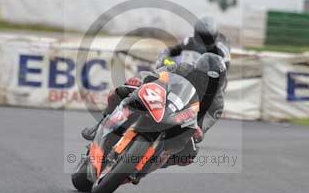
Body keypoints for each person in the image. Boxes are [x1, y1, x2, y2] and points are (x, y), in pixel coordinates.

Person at [81, 53, 227, 168]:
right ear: (197, 71)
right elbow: (158, 74)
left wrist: (199, 130)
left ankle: (154, 162)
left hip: (181, 117)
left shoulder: (217, 102)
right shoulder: (183, 68)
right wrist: (139, 79)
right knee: (119, 92)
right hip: (160, 99)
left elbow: (206, 121)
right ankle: (99, 126)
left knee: (189, 153)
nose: (208, 84)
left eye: (214, 83)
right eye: (204, 79)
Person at [156, 16, 231, 69]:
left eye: (206, 38)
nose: (203, 40)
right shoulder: (189, 41)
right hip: (186, 76)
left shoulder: (222, 50)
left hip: (209, 81)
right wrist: (164, 56)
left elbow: (224, 71)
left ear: (215, 36)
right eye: (200, 36)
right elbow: (171, 50)